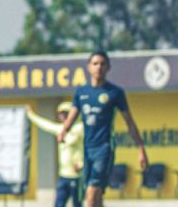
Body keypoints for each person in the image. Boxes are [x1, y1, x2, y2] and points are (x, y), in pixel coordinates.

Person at [58, 51, 149, 207]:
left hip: (105, 149)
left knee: (91, 194)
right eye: (95, 63)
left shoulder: (115, 93)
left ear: (108, 67)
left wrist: (141, 149)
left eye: (102, 64)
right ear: (88, 67)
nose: (98, 67)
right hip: (87, 150)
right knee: (97, 198)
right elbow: (73, 115)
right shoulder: (81, 92)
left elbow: (130, 123)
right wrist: (64, 130)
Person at [26, 102, 84, 207]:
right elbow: (45, 125)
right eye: (61, 114)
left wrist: (82, 163)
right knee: (59, 204)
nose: (63, 116)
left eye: (66, 113)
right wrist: (31, 115)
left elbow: (89, 148)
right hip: (63, 176)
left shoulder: (80, 128)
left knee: (77, 204)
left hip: (77, 176)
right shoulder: (60, 129)